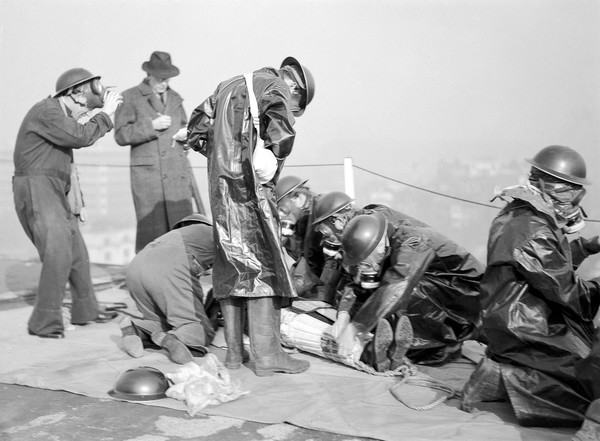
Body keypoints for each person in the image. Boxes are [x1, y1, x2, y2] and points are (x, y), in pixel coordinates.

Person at [187, 56, 315, 376]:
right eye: (296, 104)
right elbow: (282, 134)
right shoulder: (276, 87)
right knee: (265, 268)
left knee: (231, 267)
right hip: (250, 191)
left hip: (221, 192)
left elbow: (196, 130)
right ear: (295, 88)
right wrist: (271, 159)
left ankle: (234, 356)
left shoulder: (226, 85)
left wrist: (223, 160)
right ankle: (267, 357)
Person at [460, 145, 600, 433]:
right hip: (524, 327)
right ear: (556, 190)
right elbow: (569, 293)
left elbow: (547, 267)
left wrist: (586, 247)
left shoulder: (521, 213)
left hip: (513, 317)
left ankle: (501, 376)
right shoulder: (532, 229)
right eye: (571, 193)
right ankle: (502, 377)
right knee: (590, 385)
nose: (573, 204)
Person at [13, 67, 123, 339]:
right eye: (86, 105)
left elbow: (66, 162)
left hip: (54, 190)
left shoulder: (58, 116)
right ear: (76, 93)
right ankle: (44, 322)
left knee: (77, 254)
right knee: (58, 252)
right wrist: (105, 116)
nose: (83, 115)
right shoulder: (47, 111)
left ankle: (86, 311)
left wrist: (76, 200)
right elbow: (81, 136)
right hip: (37, 188)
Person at [114, 51, 196, 252]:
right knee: (152, 234)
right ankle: (147, 277)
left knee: (181, 234)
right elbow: (121, 135)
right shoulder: (130, 97)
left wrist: (188, 141)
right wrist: (151, 125)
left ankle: (179, 276)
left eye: (167, 79)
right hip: (150, 180)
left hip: (177, 176)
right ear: (149, 75)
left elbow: (186, 128)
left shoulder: (176, 99)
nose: (163, 83)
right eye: (159, 79)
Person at [121, 214, 218, 364]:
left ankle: (135, 328)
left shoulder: (170, 236)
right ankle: (175, 339)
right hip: (169, 266)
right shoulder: (213, 232)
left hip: (135, 269)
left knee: (164, 322)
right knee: (199, 327)